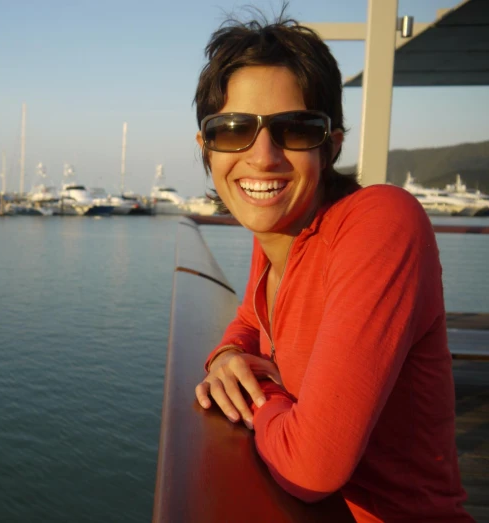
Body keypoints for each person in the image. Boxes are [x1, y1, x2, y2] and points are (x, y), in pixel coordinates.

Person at [191, 13, 471, 523]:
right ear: (206, 149)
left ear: (331, 145)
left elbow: (311, 467)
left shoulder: (380, 223)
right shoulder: (278, 235)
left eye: (294, 129)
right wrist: (227, 356)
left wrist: (263, 392)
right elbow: (252, 320)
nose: (264, 156)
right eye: (233, 131)